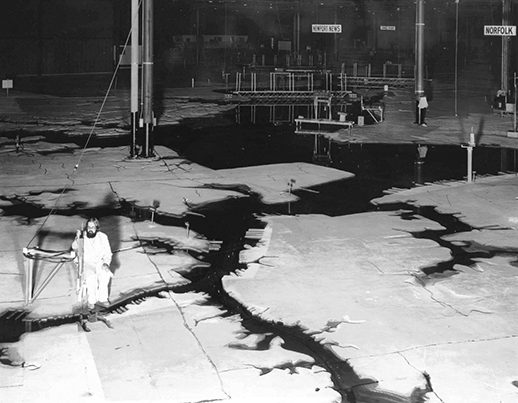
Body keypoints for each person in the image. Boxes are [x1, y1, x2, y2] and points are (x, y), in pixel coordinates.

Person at [72, 217, 113, 310]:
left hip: (100, 262)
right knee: (91, 277)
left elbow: (108, 252)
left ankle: (103, 298)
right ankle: (92, 300)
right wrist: (77, 237)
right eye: (89, 227)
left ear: (97, 228)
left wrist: (106, 263)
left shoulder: (103, 237)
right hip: (87, 263)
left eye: (93, 227)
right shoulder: (83, 236)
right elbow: (74, 247)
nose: (90, 229)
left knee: (106, 274)